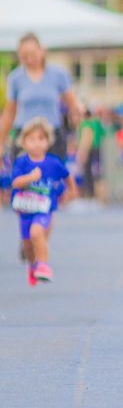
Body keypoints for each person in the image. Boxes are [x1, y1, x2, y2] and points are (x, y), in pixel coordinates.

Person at [11, 117, 77, 286]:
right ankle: (33, 265)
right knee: (27, 245)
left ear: (48, 142)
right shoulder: (22, 162)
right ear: (24, 142)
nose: (37, 143)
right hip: (25, 210)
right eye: (32, 139)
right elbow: (15, 183)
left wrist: (71, 191)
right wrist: (30, 178)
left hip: (44, 208)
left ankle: (44, 265)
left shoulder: (53, 162)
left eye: (41, 139)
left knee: (37, 233)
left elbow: (67, 176)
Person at [0, 33, 82, 161]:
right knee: (24, 177)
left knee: (54, 176)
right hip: (24, 137)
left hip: (51, 136)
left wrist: (79, 112)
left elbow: (72, 103)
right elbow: (9, 112)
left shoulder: (58, 74)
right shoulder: (15, 78)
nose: (29, 59)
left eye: (32, 54)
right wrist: (1, 141)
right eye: (24, 56)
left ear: (42, 51)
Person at [77, 109, 106, 201]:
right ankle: (99, 196)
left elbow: (86, 137)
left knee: (88, 172)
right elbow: (103, 134)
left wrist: (82, 151)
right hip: (98, 149)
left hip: (89, 149)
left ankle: (91, 195)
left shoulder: (85, 124)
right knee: (98, 173)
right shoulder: (97, 123)